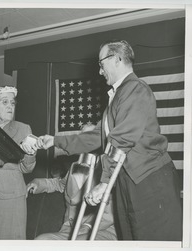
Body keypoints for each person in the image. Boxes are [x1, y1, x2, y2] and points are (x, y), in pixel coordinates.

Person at [35, 40, 183, 241]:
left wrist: (104, 182)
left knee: (153, 240)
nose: (99, 71)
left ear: (116, 59)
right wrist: (55, 141)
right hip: (127, 181)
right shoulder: (118, 96)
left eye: (101, 63)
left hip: (149, 180)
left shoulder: (135, 89)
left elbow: (122, 139)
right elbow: (96, 136)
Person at [0, 85, 37, 239]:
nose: (10, 106)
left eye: (12, 103)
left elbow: (26, 169)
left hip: (12, 198)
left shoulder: (23, 129)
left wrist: (31, 153)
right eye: (5, 102)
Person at [26, 150, 117, 240]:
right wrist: (39, 183)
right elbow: (60, 184)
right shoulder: (76, 166)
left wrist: (87, 226)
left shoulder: (108, 172)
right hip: (70, 229)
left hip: (100, 231)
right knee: (41, 240)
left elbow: (111, 212)